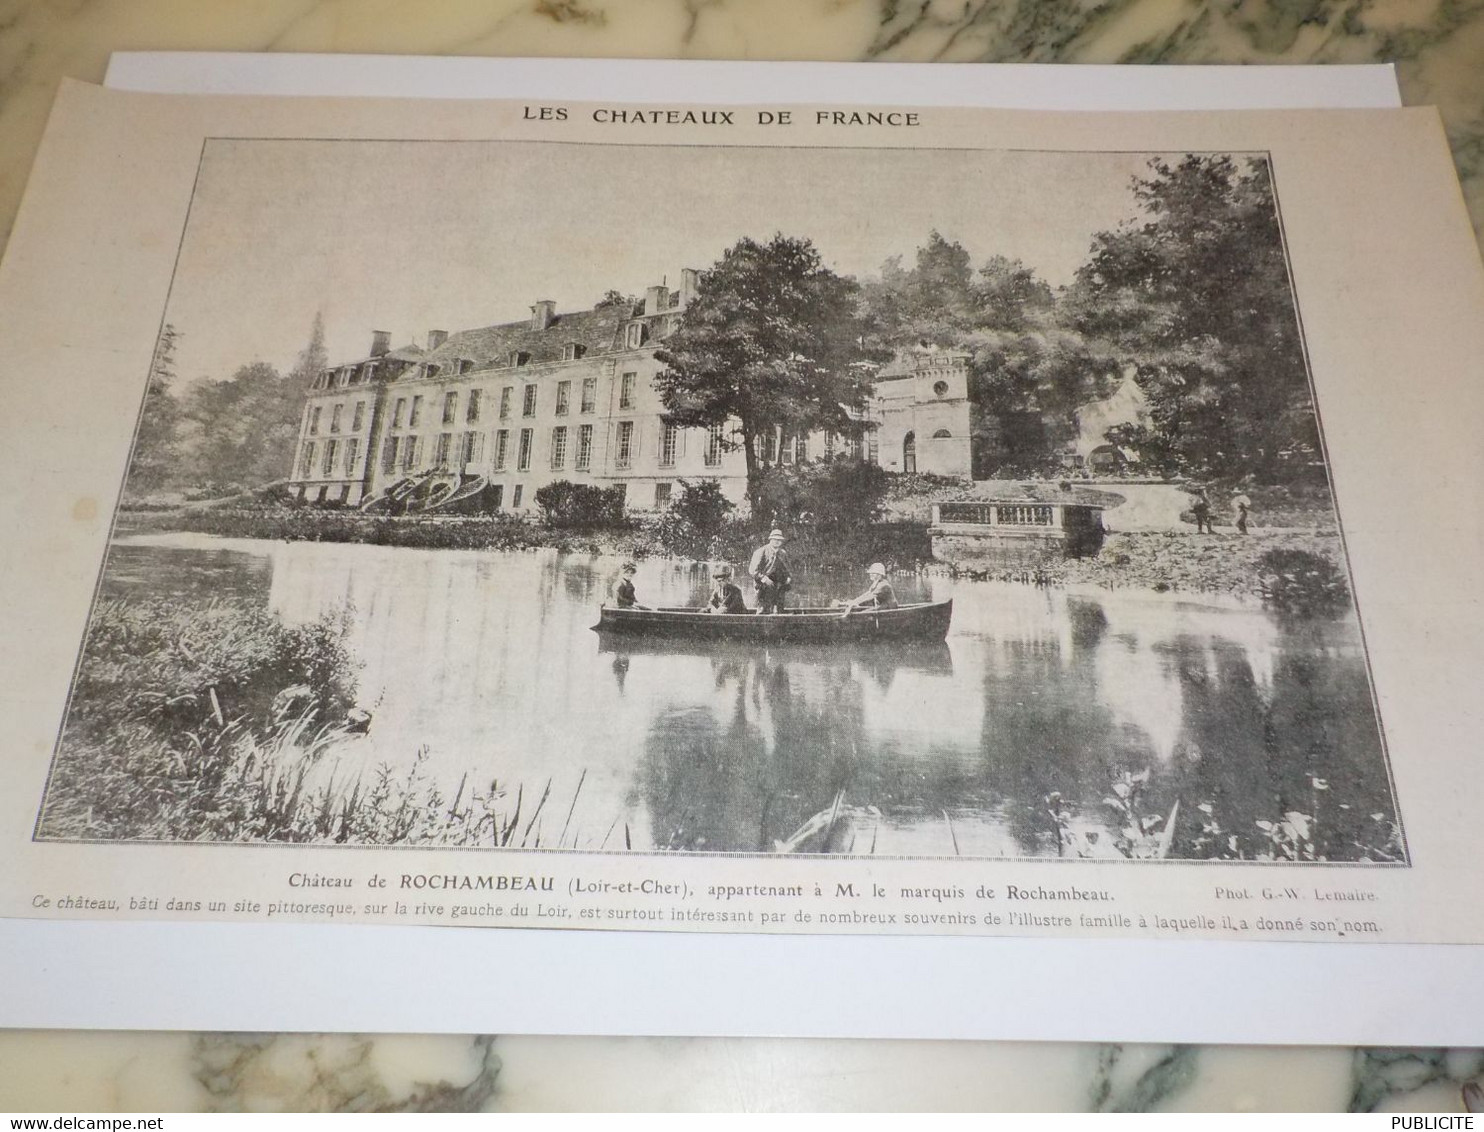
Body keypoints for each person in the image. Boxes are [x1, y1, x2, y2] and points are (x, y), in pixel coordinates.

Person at [748, 528, 792, 614]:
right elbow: (753, 570)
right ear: (770, 539)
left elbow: (788, 569)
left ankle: (778, 613)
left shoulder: (783, 553)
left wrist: (789, 578)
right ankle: (762, 611)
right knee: (763, 609)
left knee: (779, 608)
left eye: (779, 540)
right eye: (775, 539)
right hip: (763, 583)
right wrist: (764, 578)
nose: (777, 541)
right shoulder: (761, 551)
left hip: (778, 583)